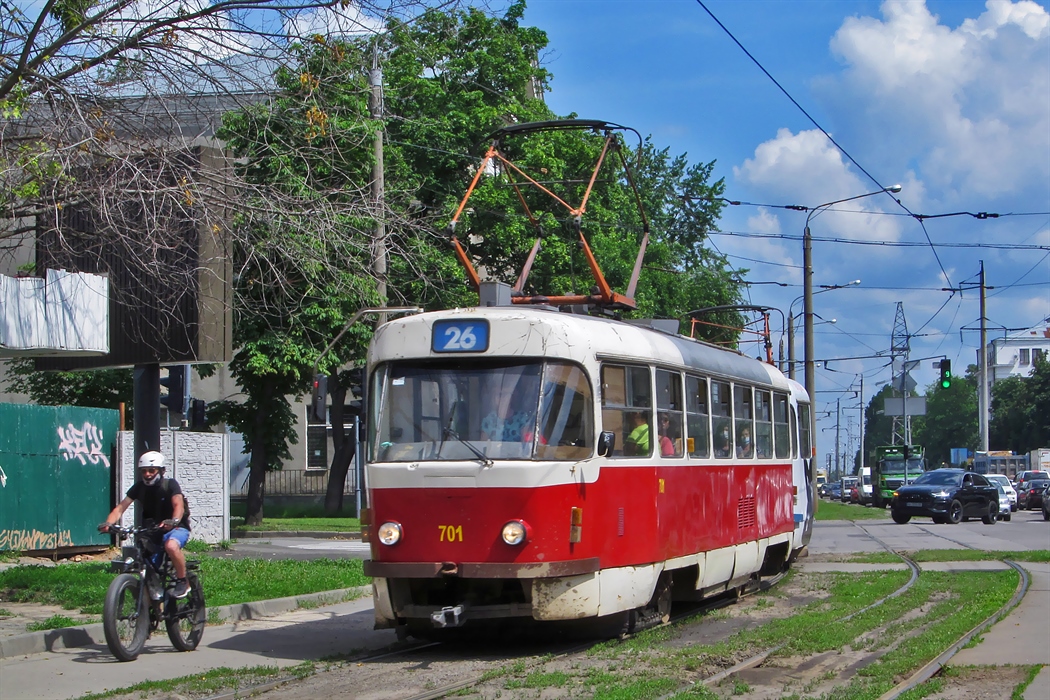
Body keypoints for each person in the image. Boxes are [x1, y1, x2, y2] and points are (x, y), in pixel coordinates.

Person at [99, 451, 192, 599]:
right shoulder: (139, 488)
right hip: (153, 531)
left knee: (171, 546)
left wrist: (173, 521)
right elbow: (121, 508)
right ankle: (152, 608)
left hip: (176, 528)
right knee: (148, 569)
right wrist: (109, 523)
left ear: (161, 470)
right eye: (144, 471)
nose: (147, 474)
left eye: (151, 470)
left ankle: (182, 581)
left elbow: (178, 505)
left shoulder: (170, 484)